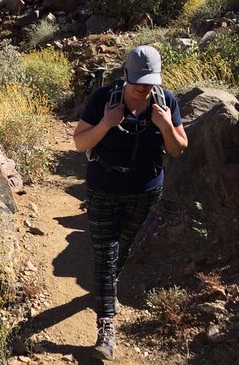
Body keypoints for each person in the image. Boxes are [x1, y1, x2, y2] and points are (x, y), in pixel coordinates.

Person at [72, 45, 188, 361]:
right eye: (137, 81)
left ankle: (108, 287)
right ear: (125, 75)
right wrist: (107, 123)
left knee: (124, 246)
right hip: (104, 187)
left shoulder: (167, 102)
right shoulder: (103, 100)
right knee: (105, 253)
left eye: (149, 82)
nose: (143, 89)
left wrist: (165, 125)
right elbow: (80, 141)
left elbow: (178, 149)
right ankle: (106, 326)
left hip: (146, 191)